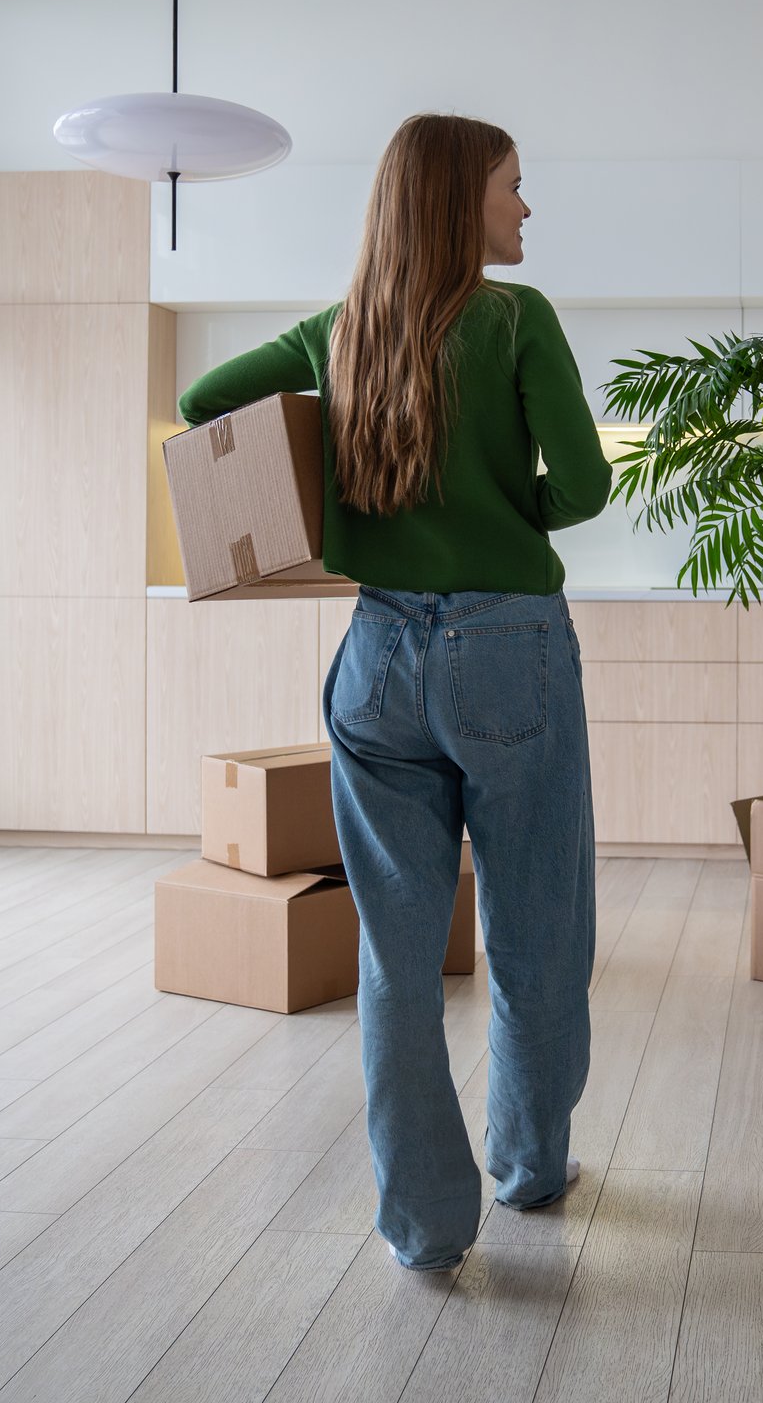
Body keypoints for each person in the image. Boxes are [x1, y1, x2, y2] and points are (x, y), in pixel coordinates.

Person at [178, 113, 611, 1270]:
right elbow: (583, 487)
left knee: (396, 957)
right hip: (508, 647)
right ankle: (526, 1166)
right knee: (537, 932)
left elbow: (204, 398)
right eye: (514, 189)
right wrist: (497, 498)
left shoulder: (341, 330)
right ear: (459, 200)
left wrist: (351, 470)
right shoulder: (518, 319)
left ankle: (422, 1224)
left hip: (375, 659)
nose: (526, 210)